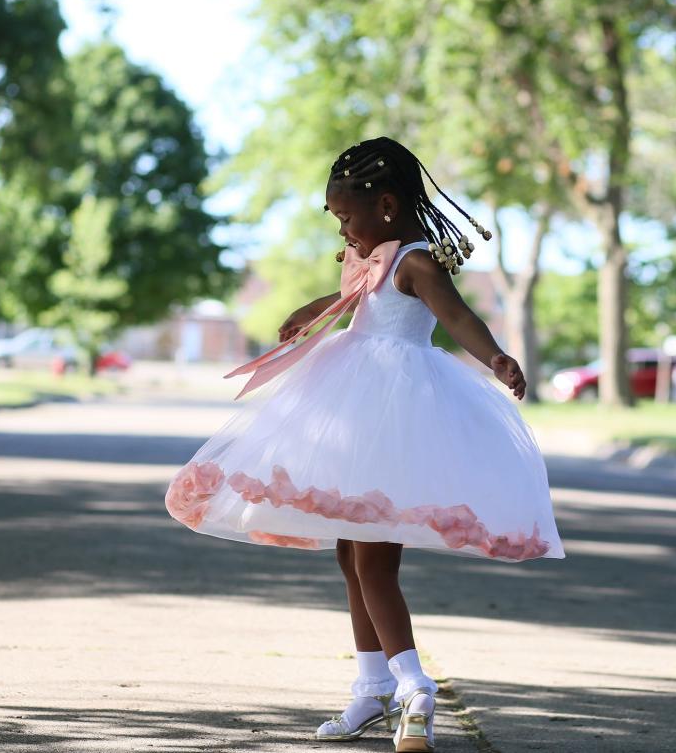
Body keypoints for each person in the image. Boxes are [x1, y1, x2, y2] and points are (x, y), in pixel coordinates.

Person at [164, 136, 564, 752]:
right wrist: (311, 310)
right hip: (355, 407)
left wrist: (497, 359)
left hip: (395, 416)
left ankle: (414, 685)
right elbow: (356, 300)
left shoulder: (416, 263)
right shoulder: (375, 258)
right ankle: (371, 686)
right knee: (351, 558)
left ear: (384, 205)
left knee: (374, 560)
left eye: (346, 217)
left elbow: (457, 318)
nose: (342, 229)